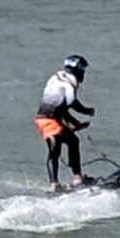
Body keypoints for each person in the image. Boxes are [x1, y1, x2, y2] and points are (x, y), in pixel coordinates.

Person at [33, 54, 96, 190]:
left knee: (73, 141)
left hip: (48, 119)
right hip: (49, 121)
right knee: (54, 151)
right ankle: (55, 184)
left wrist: (77, 124)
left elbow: (62, 109)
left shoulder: (57, 77)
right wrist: (87, 111)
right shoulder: (70, 83)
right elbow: (71, 103)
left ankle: (77, 178)